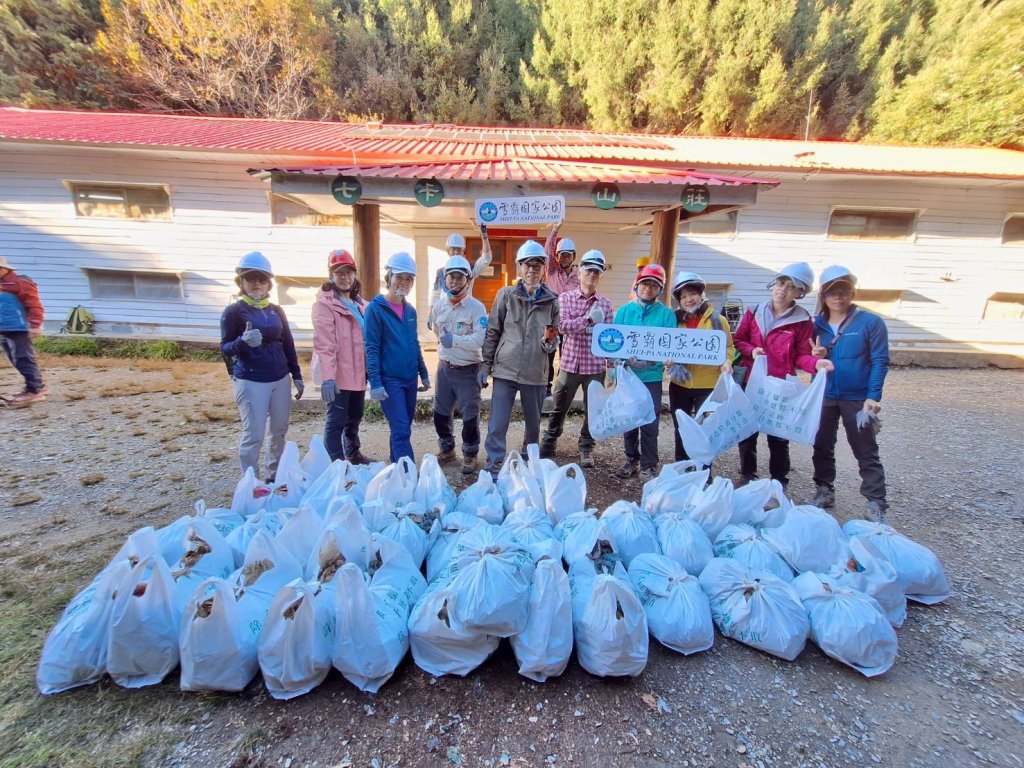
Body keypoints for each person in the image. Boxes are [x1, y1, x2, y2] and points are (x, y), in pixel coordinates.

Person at [733, 262, 833, 487]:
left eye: (791, 287)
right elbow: (739, 340)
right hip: (752, 381)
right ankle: (747, 475)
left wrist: (816, 364)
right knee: (747, 431)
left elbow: (801, 355)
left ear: (800, 292)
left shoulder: (802, 320)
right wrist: (752, 350)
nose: (782, 290)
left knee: (778, 434)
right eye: (780, 283)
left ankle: (778, 481)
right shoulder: (754, 311)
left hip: (780, 384)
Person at [809, 265, 890, 522]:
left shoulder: (870, 323)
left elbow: (880, 360)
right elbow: (806, 357)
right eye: (832, 292)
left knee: (865, 448)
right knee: (821, 443)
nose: (838, 297)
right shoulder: (816, 325)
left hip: (857, 396)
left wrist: (873, 395)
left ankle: (876, 501)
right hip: (824, 393)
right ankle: (824, 489)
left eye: (844, 291)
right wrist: (815, 358)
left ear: (853, 293)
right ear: (823, 295)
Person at [220, 252, 304, 481]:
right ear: (241, 282)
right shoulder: (233, 312)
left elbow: (287, 343)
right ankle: (251, 482)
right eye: (251, 278)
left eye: (262, 279)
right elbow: (225, 348)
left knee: (279, 431)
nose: (257, 283)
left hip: (280, 378)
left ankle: (273, 476)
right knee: (254, 434)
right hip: (251, 379)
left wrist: (296, 375)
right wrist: (243, 342)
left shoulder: (276, 310)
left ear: (269, 283)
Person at [481, 240, 560, 478]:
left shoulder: (552, 302)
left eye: (537, 266)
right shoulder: (506, 295)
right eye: (527, 265)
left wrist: (550, 343)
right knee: (498, 422)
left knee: (533, 424)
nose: (532, 270)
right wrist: (485, 365)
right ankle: (494, 465)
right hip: (506, 368)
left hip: (535, 371)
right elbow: (493, 330)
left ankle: (528, 463)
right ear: (519, 267)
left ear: (543, 269)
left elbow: (553, 336)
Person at [539, 249, 614, 468]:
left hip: (596, 366)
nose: (592, 275)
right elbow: (562, 327)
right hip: (570, 363)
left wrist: (611, 366)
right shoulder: (566, 298)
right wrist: (588, 320)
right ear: (579, 273)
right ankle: (550, 441)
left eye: (596, 272)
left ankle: (586, 447)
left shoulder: (606, 304)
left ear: (600, 277)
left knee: (594, 409)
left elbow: (609, 338)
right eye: (588, 271)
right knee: (559, 405)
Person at [611, 263, 677, 483]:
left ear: (660, 289)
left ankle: (649, 465)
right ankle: (631, 459)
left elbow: (668, 345)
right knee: (629, 419)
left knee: (650, 421)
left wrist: (653, 361)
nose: (648, 288)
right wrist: (616, 368)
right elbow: (614, 343)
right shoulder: (624, 311)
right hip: (627, 375)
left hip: (651, 377)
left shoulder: (666, 315)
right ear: (637, 285)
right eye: (645, 284)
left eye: (654, 285)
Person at [364, 251, 431, 463]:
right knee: (401, 428)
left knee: (402, 427)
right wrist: (375, 383)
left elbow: (414, 343)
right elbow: (372, 348)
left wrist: (423, 373)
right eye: (399, 277)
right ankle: (407, 473)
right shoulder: (375, 309)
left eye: (408, 278)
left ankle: (396, 467)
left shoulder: (410, 311)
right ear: (389, 277)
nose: (403, 282)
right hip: (390, 380)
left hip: (410, 379)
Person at [429, 253, 488, 475]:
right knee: (440, 413)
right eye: (450, 277)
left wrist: (455, 341)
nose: (454, 281)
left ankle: (470, 454)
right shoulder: (438, 307)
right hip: (444, 368)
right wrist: (447, 345)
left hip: (468, 370)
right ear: (445, 279)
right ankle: (447, 449)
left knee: (469, 415)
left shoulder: (477, 308)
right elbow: (437, 331)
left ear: (468, 280)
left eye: (459, 277)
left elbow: (480, 339)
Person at [312, 248, 372, 465]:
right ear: (331, 275)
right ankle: (336, 465)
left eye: (348, 272)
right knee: (336, 421)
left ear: (355, 274)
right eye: (339, 273)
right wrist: (328, 378)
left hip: (358, 372)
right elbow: (325, 345)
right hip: (338, 375)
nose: (345, 277)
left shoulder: (361, 305)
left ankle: (353, 454)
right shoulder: (325, 305)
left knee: (354, 417)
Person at [667, 271, 734, 463]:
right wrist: (668, 358)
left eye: (693, 294)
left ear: (701, 294)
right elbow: (666, 345)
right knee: (681, 427)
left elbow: (728, 346)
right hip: (680, 383)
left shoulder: (717, 320)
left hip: (709, 385)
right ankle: (682, 467)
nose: (689, 300)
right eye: (683, 296)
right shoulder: (674, 320)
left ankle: (704, 469)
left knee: (706, 428)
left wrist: (727, 361)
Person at [0, 256, 47, 408]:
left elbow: (34, 305)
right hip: (4, 328)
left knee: (23, 358)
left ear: (3, 269)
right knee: (15, 359)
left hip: (19, 327)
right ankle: (38, 385)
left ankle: (34, 391)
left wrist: (35, 325)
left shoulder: (20, 282)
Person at [542, 222, 580, 396]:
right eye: (561, 255)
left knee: (566, 356)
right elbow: (547, 252)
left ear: (573, 256)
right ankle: (546, 386)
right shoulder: (551, 272)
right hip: (551, 322)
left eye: (568, 255)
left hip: (569, 323)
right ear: (557, 257)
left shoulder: (579, 277)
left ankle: (562, 387)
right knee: (548, 355)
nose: (564, 258)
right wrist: (554, 230)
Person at [431, 230, 493, 304]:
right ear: (448, 251)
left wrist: (484, 238)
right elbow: (435, 294)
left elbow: (486, 259)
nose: (456, 252)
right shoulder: (440, 272)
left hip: (466, 308)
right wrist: (432, 310)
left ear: (463, 251)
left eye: (459, 249)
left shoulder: (470, 269)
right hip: (445, 309)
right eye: (453, 249)